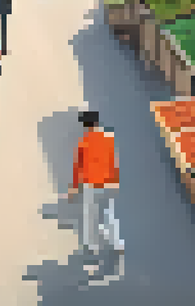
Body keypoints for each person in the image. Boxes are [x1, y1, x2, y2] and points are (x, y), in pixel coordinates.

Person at [64, 111, 124, 271]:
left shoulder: (84, 142)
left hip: (93, 184)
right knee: (109, 215)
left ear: (86, 125)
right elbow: (114, 161)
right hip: (109, 183)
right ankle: (117, 244)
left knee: (91, 218)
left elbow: (78, 168)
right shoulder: (109, 139)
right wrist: (115, 181)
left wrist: (74, 187)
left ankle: (93, 249)